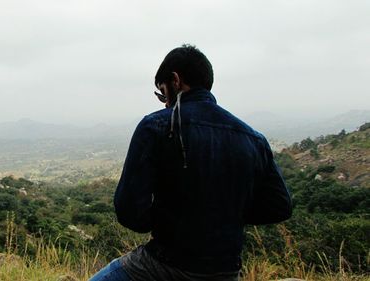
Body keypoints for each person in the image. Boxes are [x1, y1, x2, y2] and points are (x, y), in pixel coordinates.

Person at [90, 44, 292, 281]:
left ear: (175, 80)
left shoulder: (156, 126)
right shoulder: (253, 139)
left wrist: (172, 218)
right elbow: (280, 206)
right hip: (226, 271)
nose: (165, 103)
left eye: (163, 93)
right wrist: (225, 214)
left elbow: (128, 211)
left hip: (166, 265)